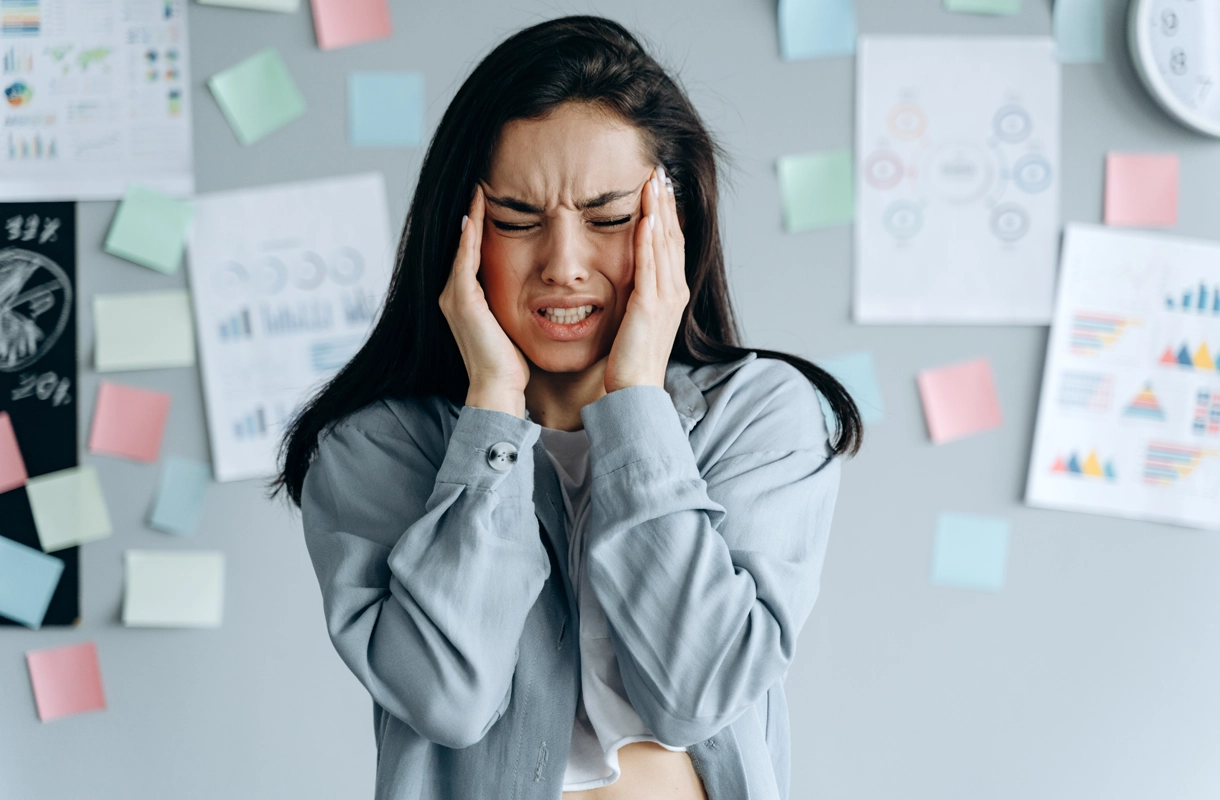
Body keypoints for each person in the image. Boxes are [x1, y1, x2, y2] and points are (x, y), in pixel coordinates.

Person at [272, 15, 862, 800]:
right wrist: (492, 411)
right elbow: (450, 695)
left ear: (671, 222)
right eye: (516, 220)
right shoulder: (375, 447)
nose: (564, 265)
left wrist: (639, 407)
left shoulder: (763, 415)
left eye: (610, 218)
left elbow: (698, 693)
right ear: (461, 231)